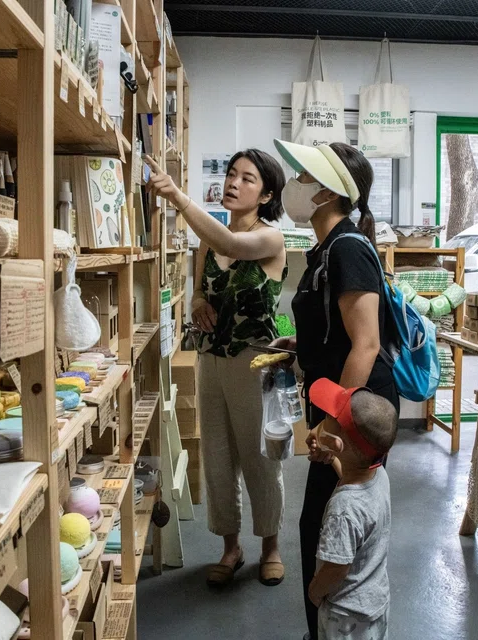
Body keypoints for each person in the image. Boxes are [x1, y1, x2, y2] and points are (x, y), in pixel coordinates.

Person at [270, 139, 400, 639]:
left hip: (355, 414)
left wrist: (330, 427)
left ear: (327, 192)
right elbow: (338, 331)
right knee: (325, 523)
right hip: (339, 405)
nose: (294, 185)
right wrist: (300, 347)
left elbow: (365, 345)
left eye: (303, 177)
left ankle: (331, 626)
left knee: (327, 526)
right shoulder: (327, 248)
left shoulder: (347, 247)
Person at [146, 150, 289, 587]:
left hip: (255, 360)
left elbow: (233, 246)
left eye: (247, 179)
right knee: (217, 456)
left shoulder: (270, 239)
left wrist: (177, 198)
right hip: (211, 355)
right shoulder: (208, 238)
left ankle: (270, 546)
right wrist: (197, 302)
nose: (233, 182)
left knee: (261, 456)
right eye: (231, 174)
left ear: (265, 195)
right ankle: (231, 546)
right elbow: (195, 291)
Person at [307, 378, 396, 640]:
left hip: (344, 615)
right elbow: (351, 473)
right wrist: (333, 458)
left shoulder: (343, 509)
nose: (325, 417)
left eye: (329, 417)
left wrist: (315, 590)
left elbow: (337, 567)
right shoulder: (378, 475)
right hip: (373, 603)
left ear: (336, 442)